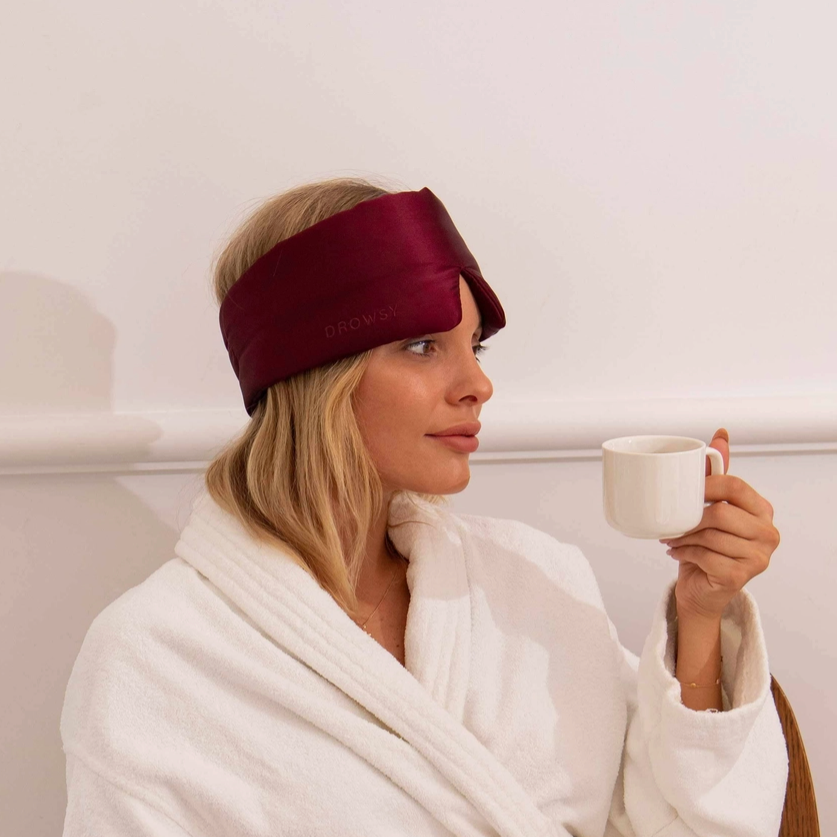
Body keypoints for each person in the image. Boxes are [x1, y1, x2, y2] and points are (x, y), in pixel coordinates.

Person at [60, 178, 789, 836]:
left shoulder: (531, 578)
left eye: (474, 346)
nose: (477, 383)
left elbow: (675, 822)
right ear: (315, 373)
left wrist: (700, 613)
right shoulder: (156, 655)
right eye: (421, 345)